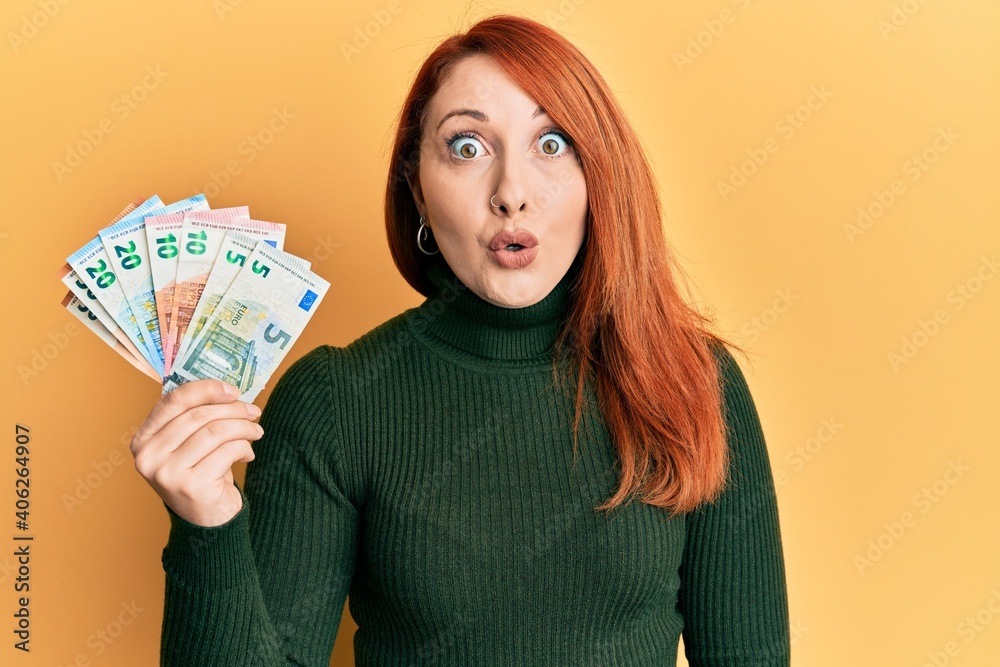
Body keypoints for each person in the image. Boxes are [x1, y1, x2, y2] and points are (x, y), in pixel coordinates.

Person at [130, 14, 790, 666]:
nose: (512, 193)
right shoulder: (335, 401)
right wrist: (207, 522)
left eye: (552, 144)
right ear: (416, 187)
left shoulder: (695, 379)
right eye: (467, 148)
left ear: (600, 175)